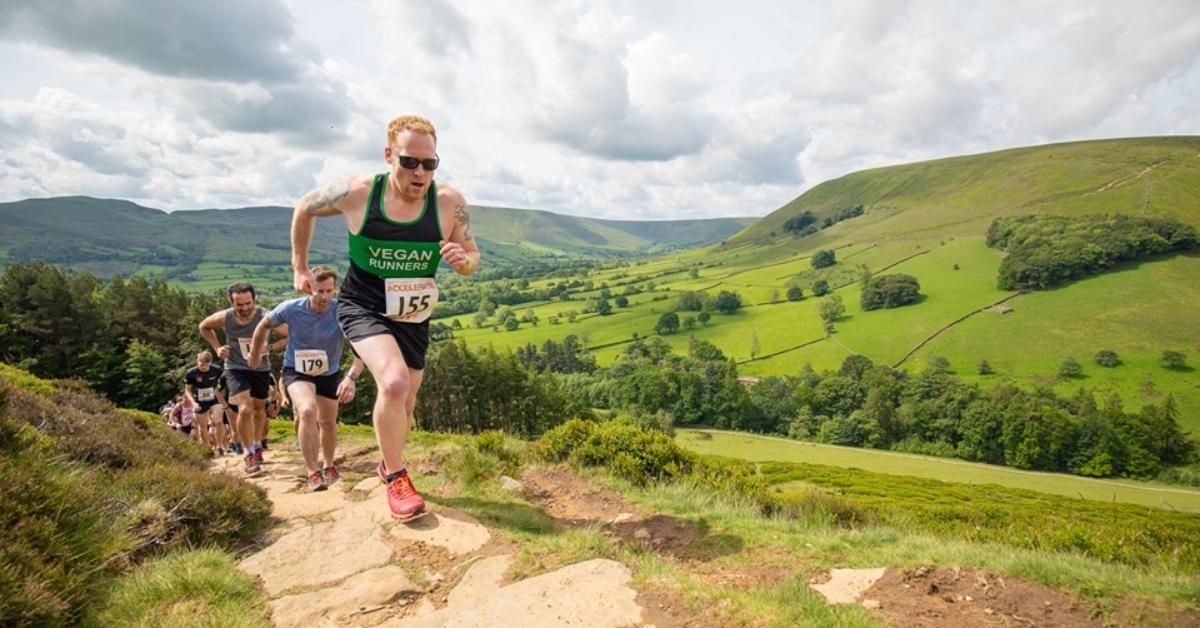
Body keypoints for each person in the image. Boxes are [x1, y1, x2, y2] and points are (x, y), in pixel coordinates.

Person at [290, 114, 479, 519]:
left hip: (413, 313)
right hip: (364, 305)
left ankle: (385, 460)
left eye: (430, 164)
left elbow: (472, 255)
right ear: (389, 154)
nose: (420, 172)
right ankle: (397, 477)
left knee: (406, 402)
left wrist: (463, 262)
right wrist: (299, 266)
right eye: (410, 161)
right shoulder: (359, 193)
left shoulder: (449, 203)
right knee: (392, 383)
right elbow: (305, 207)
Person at [249, 266, 365, 492]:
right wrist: (255, 351)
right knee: (307, 411)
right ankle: (313, 471)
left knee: (329, 422)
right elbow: (264, 324)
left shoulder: (341, 310)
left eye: (329, 291)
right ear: (309, 288)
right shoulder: (291, 308)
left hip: (328, 372)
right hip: (296, 370)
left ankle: (329, 466)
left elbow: (361, 346)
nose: (324, 297)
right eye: (319, 291)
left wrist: (351, 377)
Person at [198, 283, 277, 475]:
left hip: (260, 368)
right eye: (238, 304)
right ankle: (248, 453)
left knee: (259, 408)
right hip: (235, 367)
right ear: (231, 302)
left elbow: (290, 335)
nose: (244, 308)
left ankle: (258, 446)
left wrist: (270, 348)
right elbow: (204, 326)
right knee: (245, 408)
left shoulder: (266, 316)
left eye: (248, 303)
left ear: (254, 300)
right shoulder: (225, 317)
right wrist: (217, 347)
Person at [184, 350, 226, 455]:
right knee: (203, 427)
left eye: (206, 365)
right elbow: (187, 390)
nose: (203, 367)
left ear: (210, 362)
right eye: (201, 364)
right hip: (199, 401)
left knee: (219, 422)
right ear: (197, 361)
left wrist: (222, 398)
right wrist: (193, 403)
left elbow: (224, 384)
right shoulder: (191, 373)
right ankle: (208, 448)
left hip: (214, 399)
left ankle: (219, 446)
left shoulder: (217, 370)